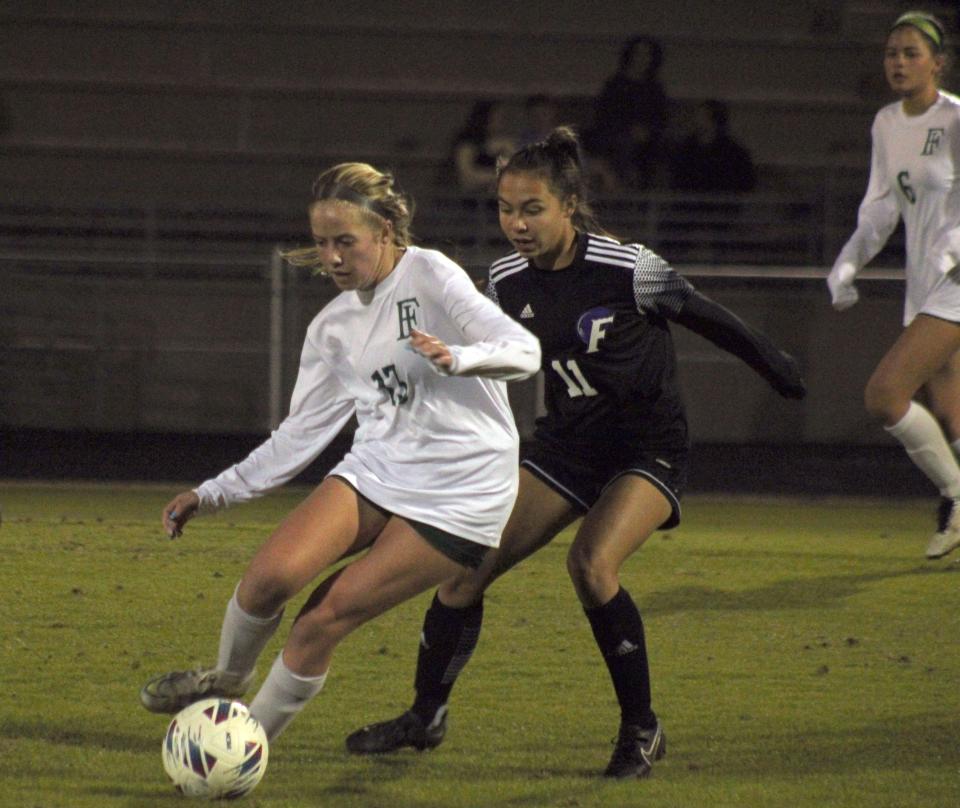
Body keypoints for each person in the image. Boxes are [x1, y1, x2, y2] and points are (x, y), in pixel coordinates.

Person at [344, 127, 806, 779]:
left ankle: (643, 731)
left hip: (647, 450)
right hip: (566, 449)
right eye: (506, 208)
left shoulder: (629, 269)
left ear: (569, 205)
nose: (517, 223)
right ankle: (425, 716)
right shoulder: (505, 280)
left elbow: (709, 317)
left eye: (532, 209)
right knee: (461, 569)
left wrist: (777, 365)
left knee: (591, 564)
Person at [138, 162, 541, 746]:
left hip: (462, 490)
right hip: (378, 469)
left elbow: (523, 351)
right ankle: (226, 682)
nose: (330, 258)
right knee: (265, 581)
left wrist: (462, 358)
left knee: (318, 623)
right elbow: (299, 434)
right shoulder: (332, 327)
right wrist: (213, 491)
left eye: (344, 242)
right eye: (322, 243)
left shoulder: (427, 273)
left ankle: (242, 750)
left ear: (384, 232)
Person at [827, 11, 960, 560]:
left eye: (911, 53)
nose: (899, 63)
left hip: (957, 279)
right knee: (953, 412)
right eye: (891, 54)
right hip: (927, 284)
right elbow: (880, 208)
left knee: (885, 395)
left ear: (938, 63)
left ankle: (956, 496)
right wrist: (849, 260)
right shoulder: (886, 123)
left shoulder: (954, 118)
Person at [583, 35, 671, 189]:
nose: (642, 59)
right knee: (622, 147)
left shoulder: (655, 88)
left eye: (646, 55)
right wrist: (628, 130)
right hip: (616, 137)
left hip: (648, 141)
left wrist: (647, 131)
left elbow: (661, 118)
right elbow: (604, 116)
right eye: (638, 54)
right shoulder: (614, 85)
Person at [669, 99, 757, 193]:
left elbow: (744, 181)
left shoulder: (733, 152)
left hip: (722, 204)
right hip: (690, 204)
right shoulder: (686, 148)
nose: (695, 120)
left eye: (701, 117)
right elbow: (677, 177)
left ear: (714, 121)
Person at [440, 99, 517, 193]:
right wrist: (494, 176)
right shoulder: (467, 143)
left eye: (503, 118)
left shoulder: (504, 144)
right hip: (466, 199)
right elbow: (466, 178)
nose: (501, 122)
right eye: (497, 118)